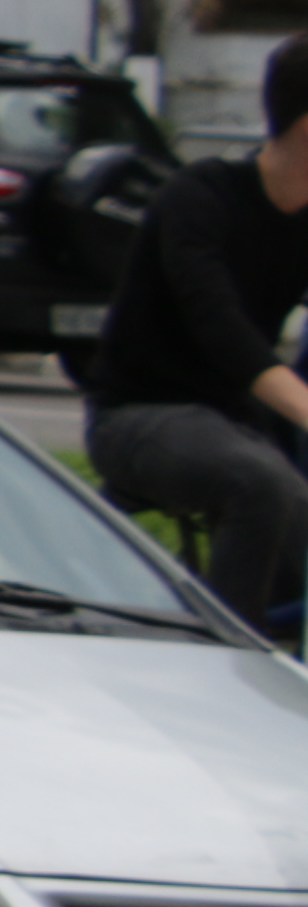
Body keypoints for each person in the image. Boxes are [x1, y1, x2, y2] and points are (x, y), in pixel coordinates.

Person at [80, 31, 308, 631]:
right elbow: (221, 328)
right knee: (261, 483)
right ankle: (227, 664)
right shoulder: (198, 198)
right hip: (138, 418)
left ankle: (279, 672)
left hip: (235, 425)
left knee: (285, 495)